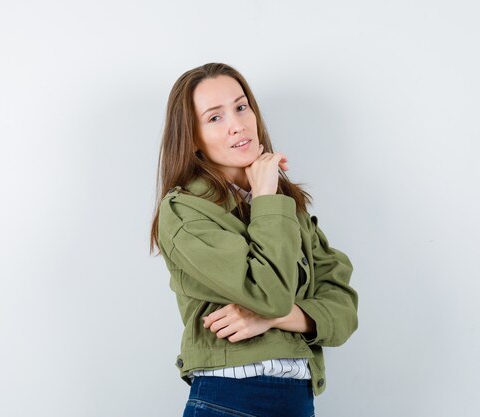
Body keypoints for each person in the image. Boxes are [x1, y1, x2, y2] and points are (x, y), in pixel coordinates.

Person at [149, 62, 359, 417]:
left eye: (241, 106)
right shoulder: (186, 210)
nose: (237, 124)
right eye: (214, 118)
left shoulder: (286, 208)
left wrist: (272, 319)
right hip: (230, 397)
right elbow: (270, 293)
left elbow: (343, 312)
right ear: (193, 139)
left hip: (296, 399)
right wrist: (265, 196)